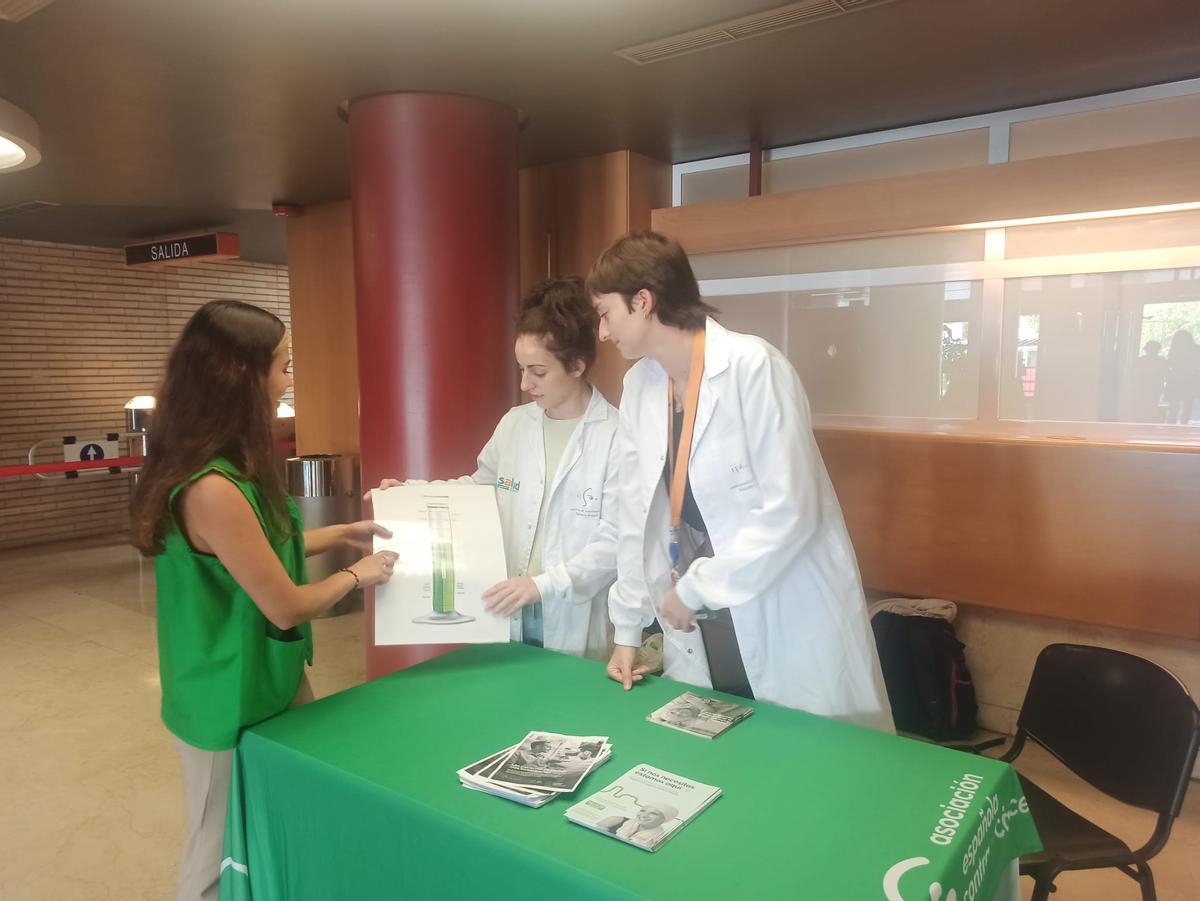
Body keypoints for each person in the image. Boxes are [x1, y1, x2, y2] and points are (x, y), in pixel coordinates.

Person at [129, 300, 399, 901]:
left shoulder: (229, 465)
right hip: (220, 695)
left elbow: (252, 553)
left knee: (278, 812)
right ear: (243, 377)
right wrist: (359, 576)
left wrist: (336, 534)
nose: (289, 379)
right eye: (282, 365)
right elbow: (283, 604)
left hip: (263, 678)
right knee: (213, 844)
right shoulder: (210, 486)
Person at [588, 231, 893, 732]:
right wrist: (626, 628)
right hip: (700, 617)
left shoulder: (753, 367)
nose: (602, 332)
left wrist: (699, 589)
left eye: (606, 313)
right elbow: (632, 514)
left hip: (781, 604)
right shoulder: (641, 386)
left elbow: (793, 510)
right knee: (723, 759)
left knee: (807, 760)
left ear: (642, 302)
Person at [374, 277, 620, 660]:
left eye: (538, 372)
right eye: (522, 370)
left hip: (575, 612)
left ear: (576, 365)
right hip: (510, 607)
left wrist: (544, 584)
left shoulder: (617, 435)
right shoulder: (516, 424)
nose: (525, 384)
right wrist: (411, 494)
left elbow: (616, 542)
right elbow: (478, 490)